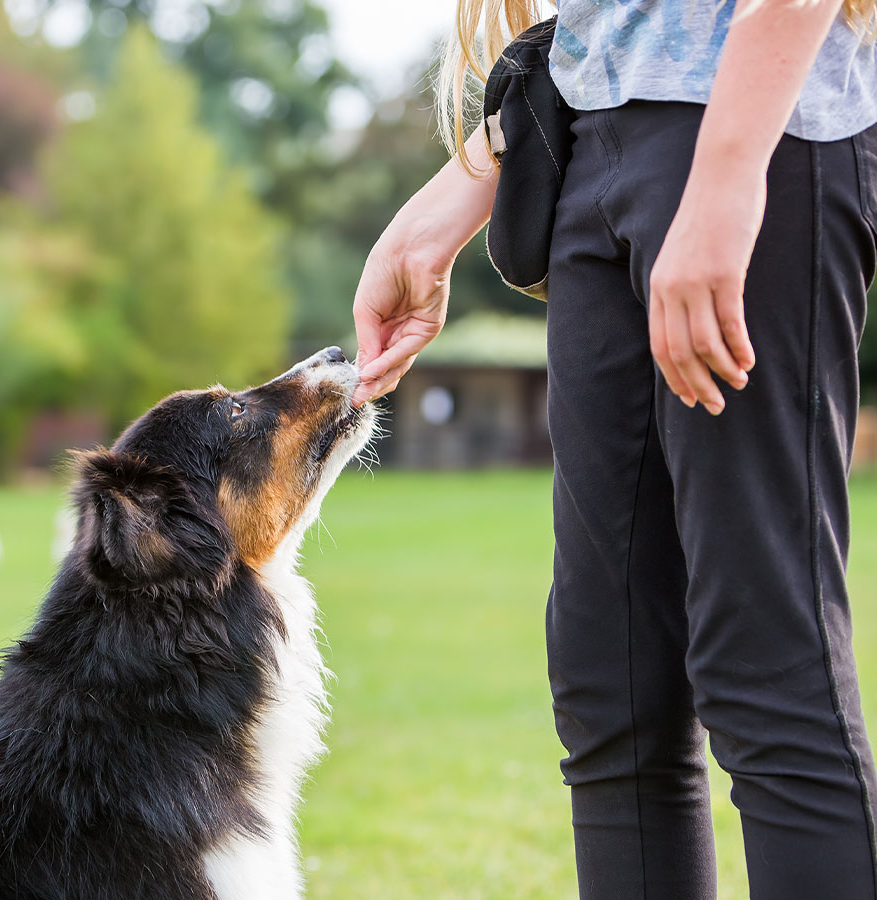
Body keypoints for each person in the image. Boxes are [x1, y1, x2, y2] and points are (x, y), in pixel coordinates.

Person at [351, 1, 877, 897]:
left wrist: (726, 177)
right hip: (598, 147)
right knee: (612, 688)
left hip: (758, 134)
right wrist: (466, 182)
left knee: (767, 668)